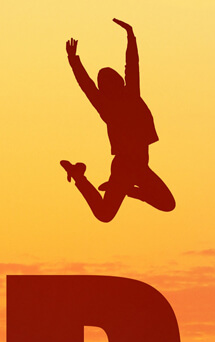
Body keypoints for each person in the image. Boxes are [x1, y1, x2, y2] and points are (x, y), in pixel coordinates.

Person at [60, 18, 175, 223]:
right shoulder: (111, 106)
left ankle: (124, 189)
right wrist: (73, 61)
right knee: (105, 214)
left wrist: (131, 37)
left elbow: (131, 66)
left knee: (167, 204)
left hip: (139, 168)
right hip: (125, 167)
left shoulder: (128, 97)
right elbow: (88, 85)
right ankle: (79, 176)